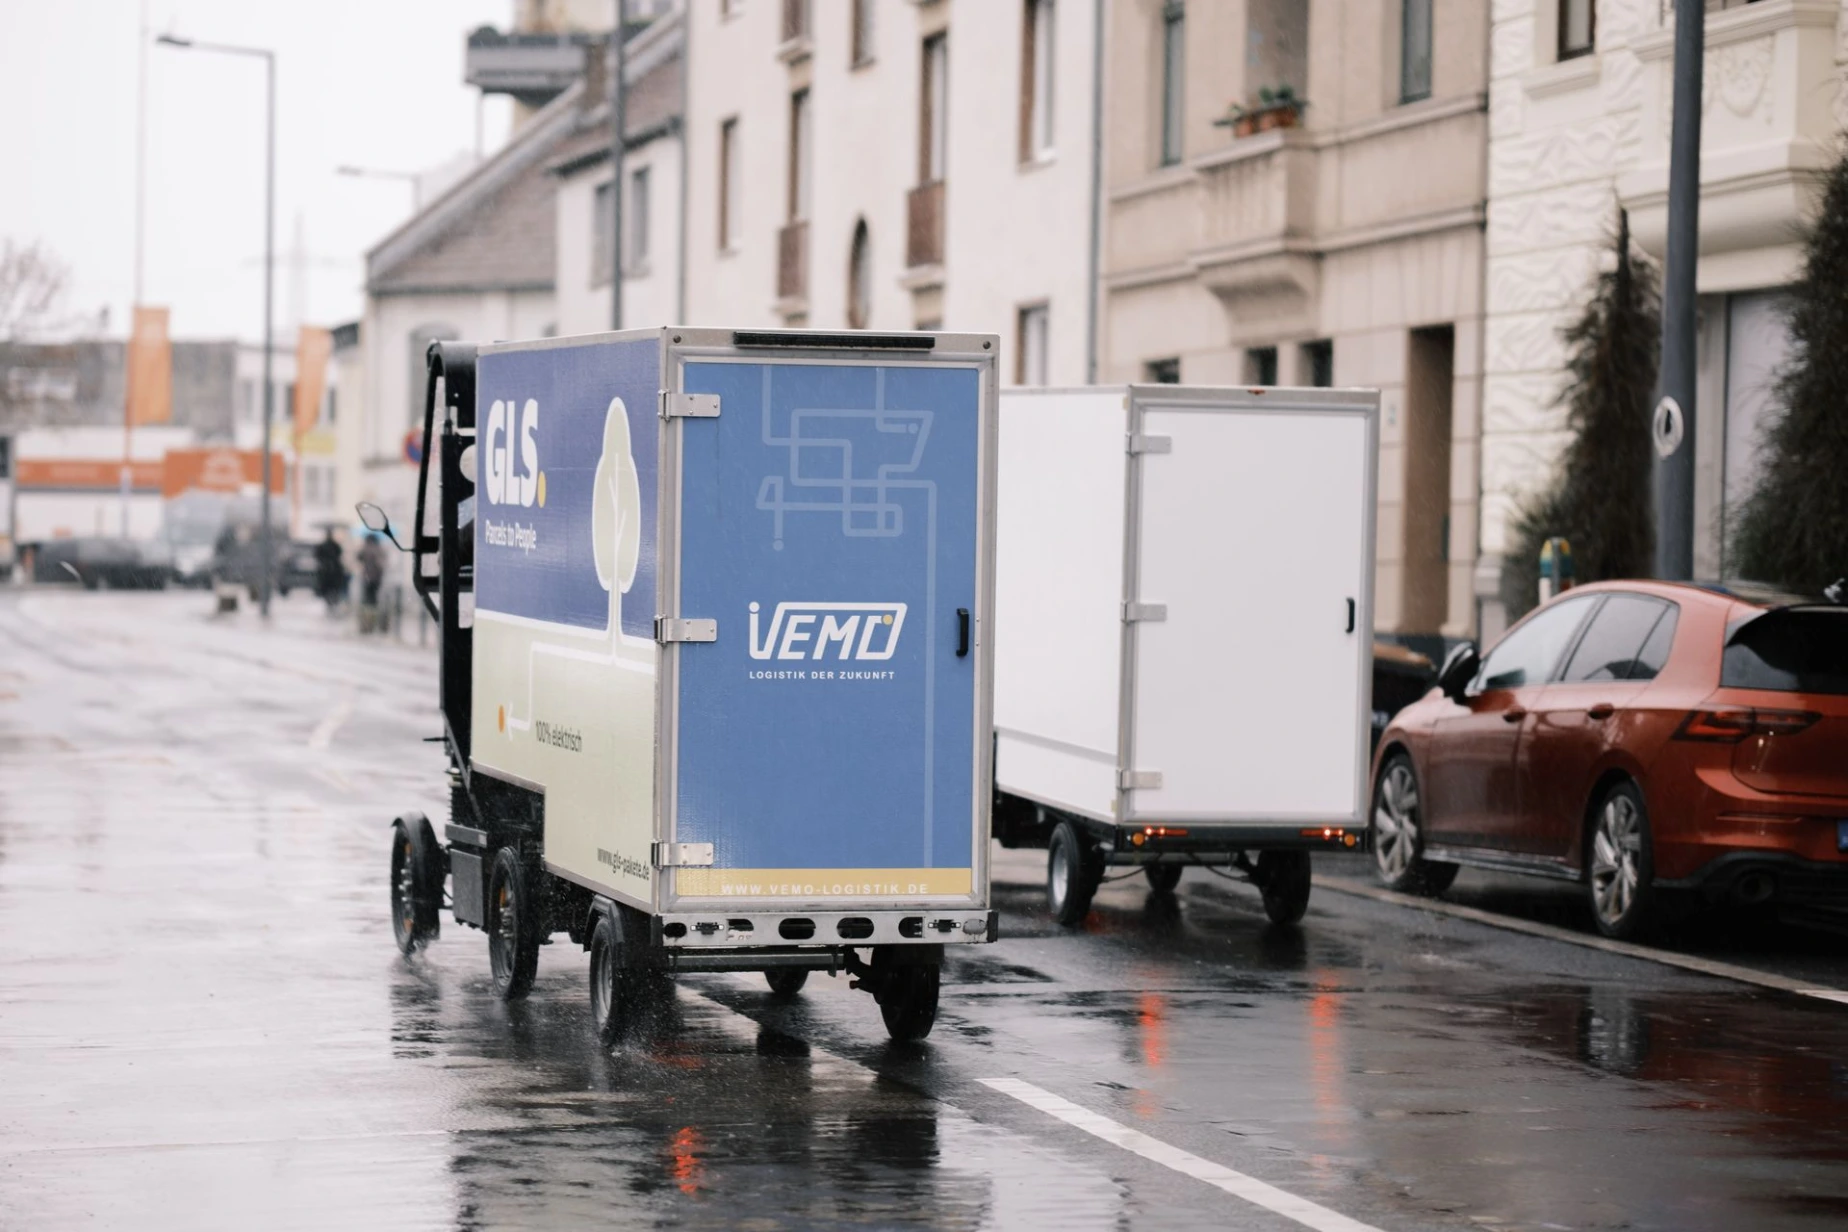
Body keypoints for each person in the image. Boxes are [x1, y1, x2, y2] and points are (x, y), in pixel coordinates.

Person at [357, 533, 386, 633]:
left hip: (367, 578)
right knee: (374, 600)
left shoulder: (365, 549)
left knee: (366, 600)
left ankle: (366, 624)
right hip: (377, 579)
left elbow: (358, 558)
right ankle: (373, 622)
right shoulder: (379, 549)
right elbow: (382, 564)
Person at [313, 529, 346, 613]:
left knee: (330, 587)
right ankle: (331, 602)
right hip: (329, 572)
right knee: (330, 587)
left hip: (330, 572)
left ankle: (332, 601)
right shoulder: (332, 546)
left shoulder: (332, 546)